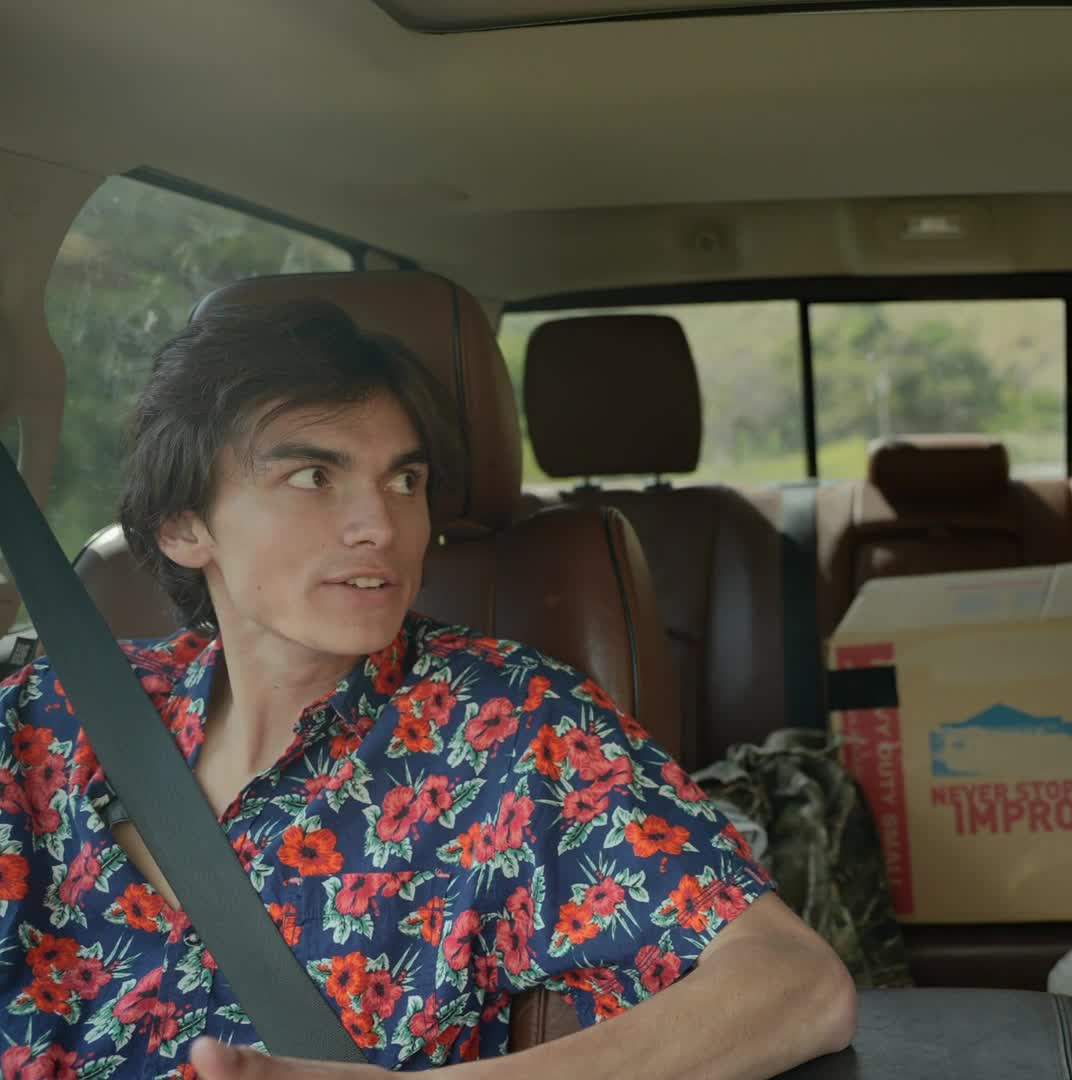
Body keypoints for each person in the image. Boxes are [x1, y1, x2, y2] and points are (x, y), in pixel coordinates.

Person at [0, 300, 856, 1078]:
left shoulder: (511, 728)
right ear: (184, 524)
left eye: (404, 481)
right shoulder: (47, 718)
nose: (381, 525)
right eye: (314, 477)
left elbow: (796, 983)